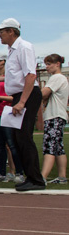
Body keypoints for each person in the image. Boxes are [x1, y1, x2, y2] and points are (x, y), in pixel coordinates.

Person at [0, 18, 44, 192]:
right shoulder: (12, 51)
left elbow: (30, 75)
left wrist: (21, 102)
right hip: (19, 95)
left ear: (11, 31)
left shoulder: (24, 47)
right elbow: (17, 75)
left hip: (26, 95)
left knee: (23, 137)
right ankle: (31, 177)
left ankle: (36, 179)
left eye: (2, 32)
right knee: (16, 137)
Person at [0, 53, 24, 183]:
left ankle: (19, 172)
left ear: (4, 62)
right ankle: (1, 173)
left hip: (7, 112)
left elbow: (15, 98)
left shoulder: (10, 77)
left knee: (12, 144)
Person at [41, 54, 67, 184]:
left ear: (57, 64)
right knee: (58, 148)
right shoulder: (61, 78)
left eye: (49, 64)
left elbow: (44, 93)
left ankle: (43, 177)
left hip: (54, 116)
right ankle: (62, 177)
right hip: (58, 115)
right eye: (46, 64)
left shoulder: (56, 77)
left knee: (49, 146)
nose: (47, 67)